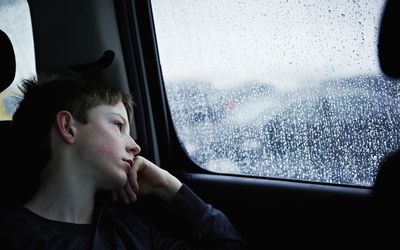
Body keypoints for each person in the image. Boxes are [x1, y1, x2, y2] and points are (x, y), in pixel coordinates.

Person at [0, 75, 247, 249]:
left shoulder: (130, 233)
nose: (135, 147)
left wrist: (168, 187)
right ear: (68, 127)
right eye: (118, 125)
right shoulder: (10, 234)